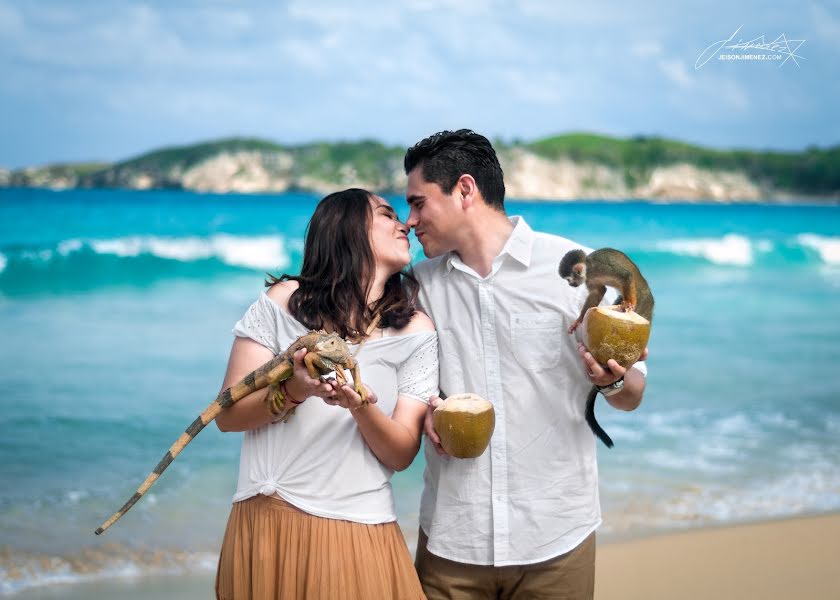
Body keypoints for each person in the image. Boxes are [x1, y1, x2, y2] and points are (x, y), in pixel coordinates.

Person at [404, 130, 649, 599]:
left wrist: (614, 383)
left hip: (556, 538)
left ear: (465, 189)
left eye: (419, 203)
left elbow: (634, 391)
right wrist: (424, 412)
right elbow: (400, 380)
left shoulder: (575, 269)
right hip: (454, 541)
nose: (410, 220)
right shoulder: (418, 285)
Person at [214, 188, 438, 600]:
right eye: (387, 215)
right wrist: (295, 390)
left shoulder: (416, 330)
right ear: (347, 229)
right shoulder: (283, 302)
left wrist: (361, 408)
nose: (404, 223)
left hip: (360, 527)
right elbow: (227, 415)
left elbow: (402, 453)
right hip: (267, 522)